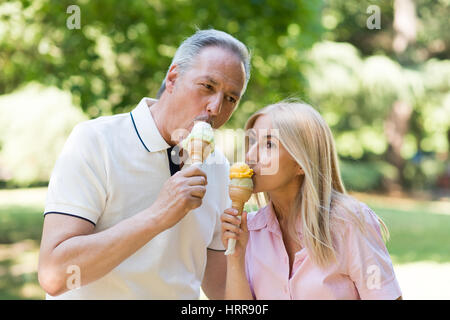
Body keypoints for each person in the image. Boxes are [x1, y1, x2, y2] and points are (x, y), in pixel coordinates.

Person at [38, 29, 251, 299]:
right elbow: (54, 275)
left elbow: (219, 289)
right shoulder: (95, 141)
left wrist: (239, 254)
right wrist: (157, 216)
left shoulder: (218, 167)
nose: (215, 108)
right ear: (173, 78)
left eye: (230, 98)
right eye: (207, 87)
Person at [221, 101, 403, 300]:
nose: (249, 155)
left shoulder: (351, 222)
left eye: (269, 144)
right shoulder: (251, 230)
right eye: (252, 142)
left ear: (301, 163)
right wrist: (235, 258)